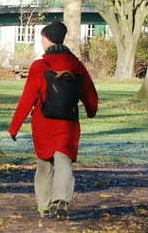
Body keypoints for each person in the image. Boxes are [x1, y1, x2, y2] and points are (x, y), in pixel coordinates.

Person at [8, 20, 98, 219]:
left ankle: (44, 206)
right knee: (63, 161)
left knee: (44, 165)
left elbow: (27, 99)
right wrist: (91, 110)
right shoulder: (76, 65)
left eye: (42, 38)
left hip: (43, 123)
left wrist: (14, 127)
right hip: (68, 122)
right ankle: (62, 200)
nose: (40, 42)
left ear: (49, 40)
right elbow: (90, 93)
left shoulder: (39, 66)